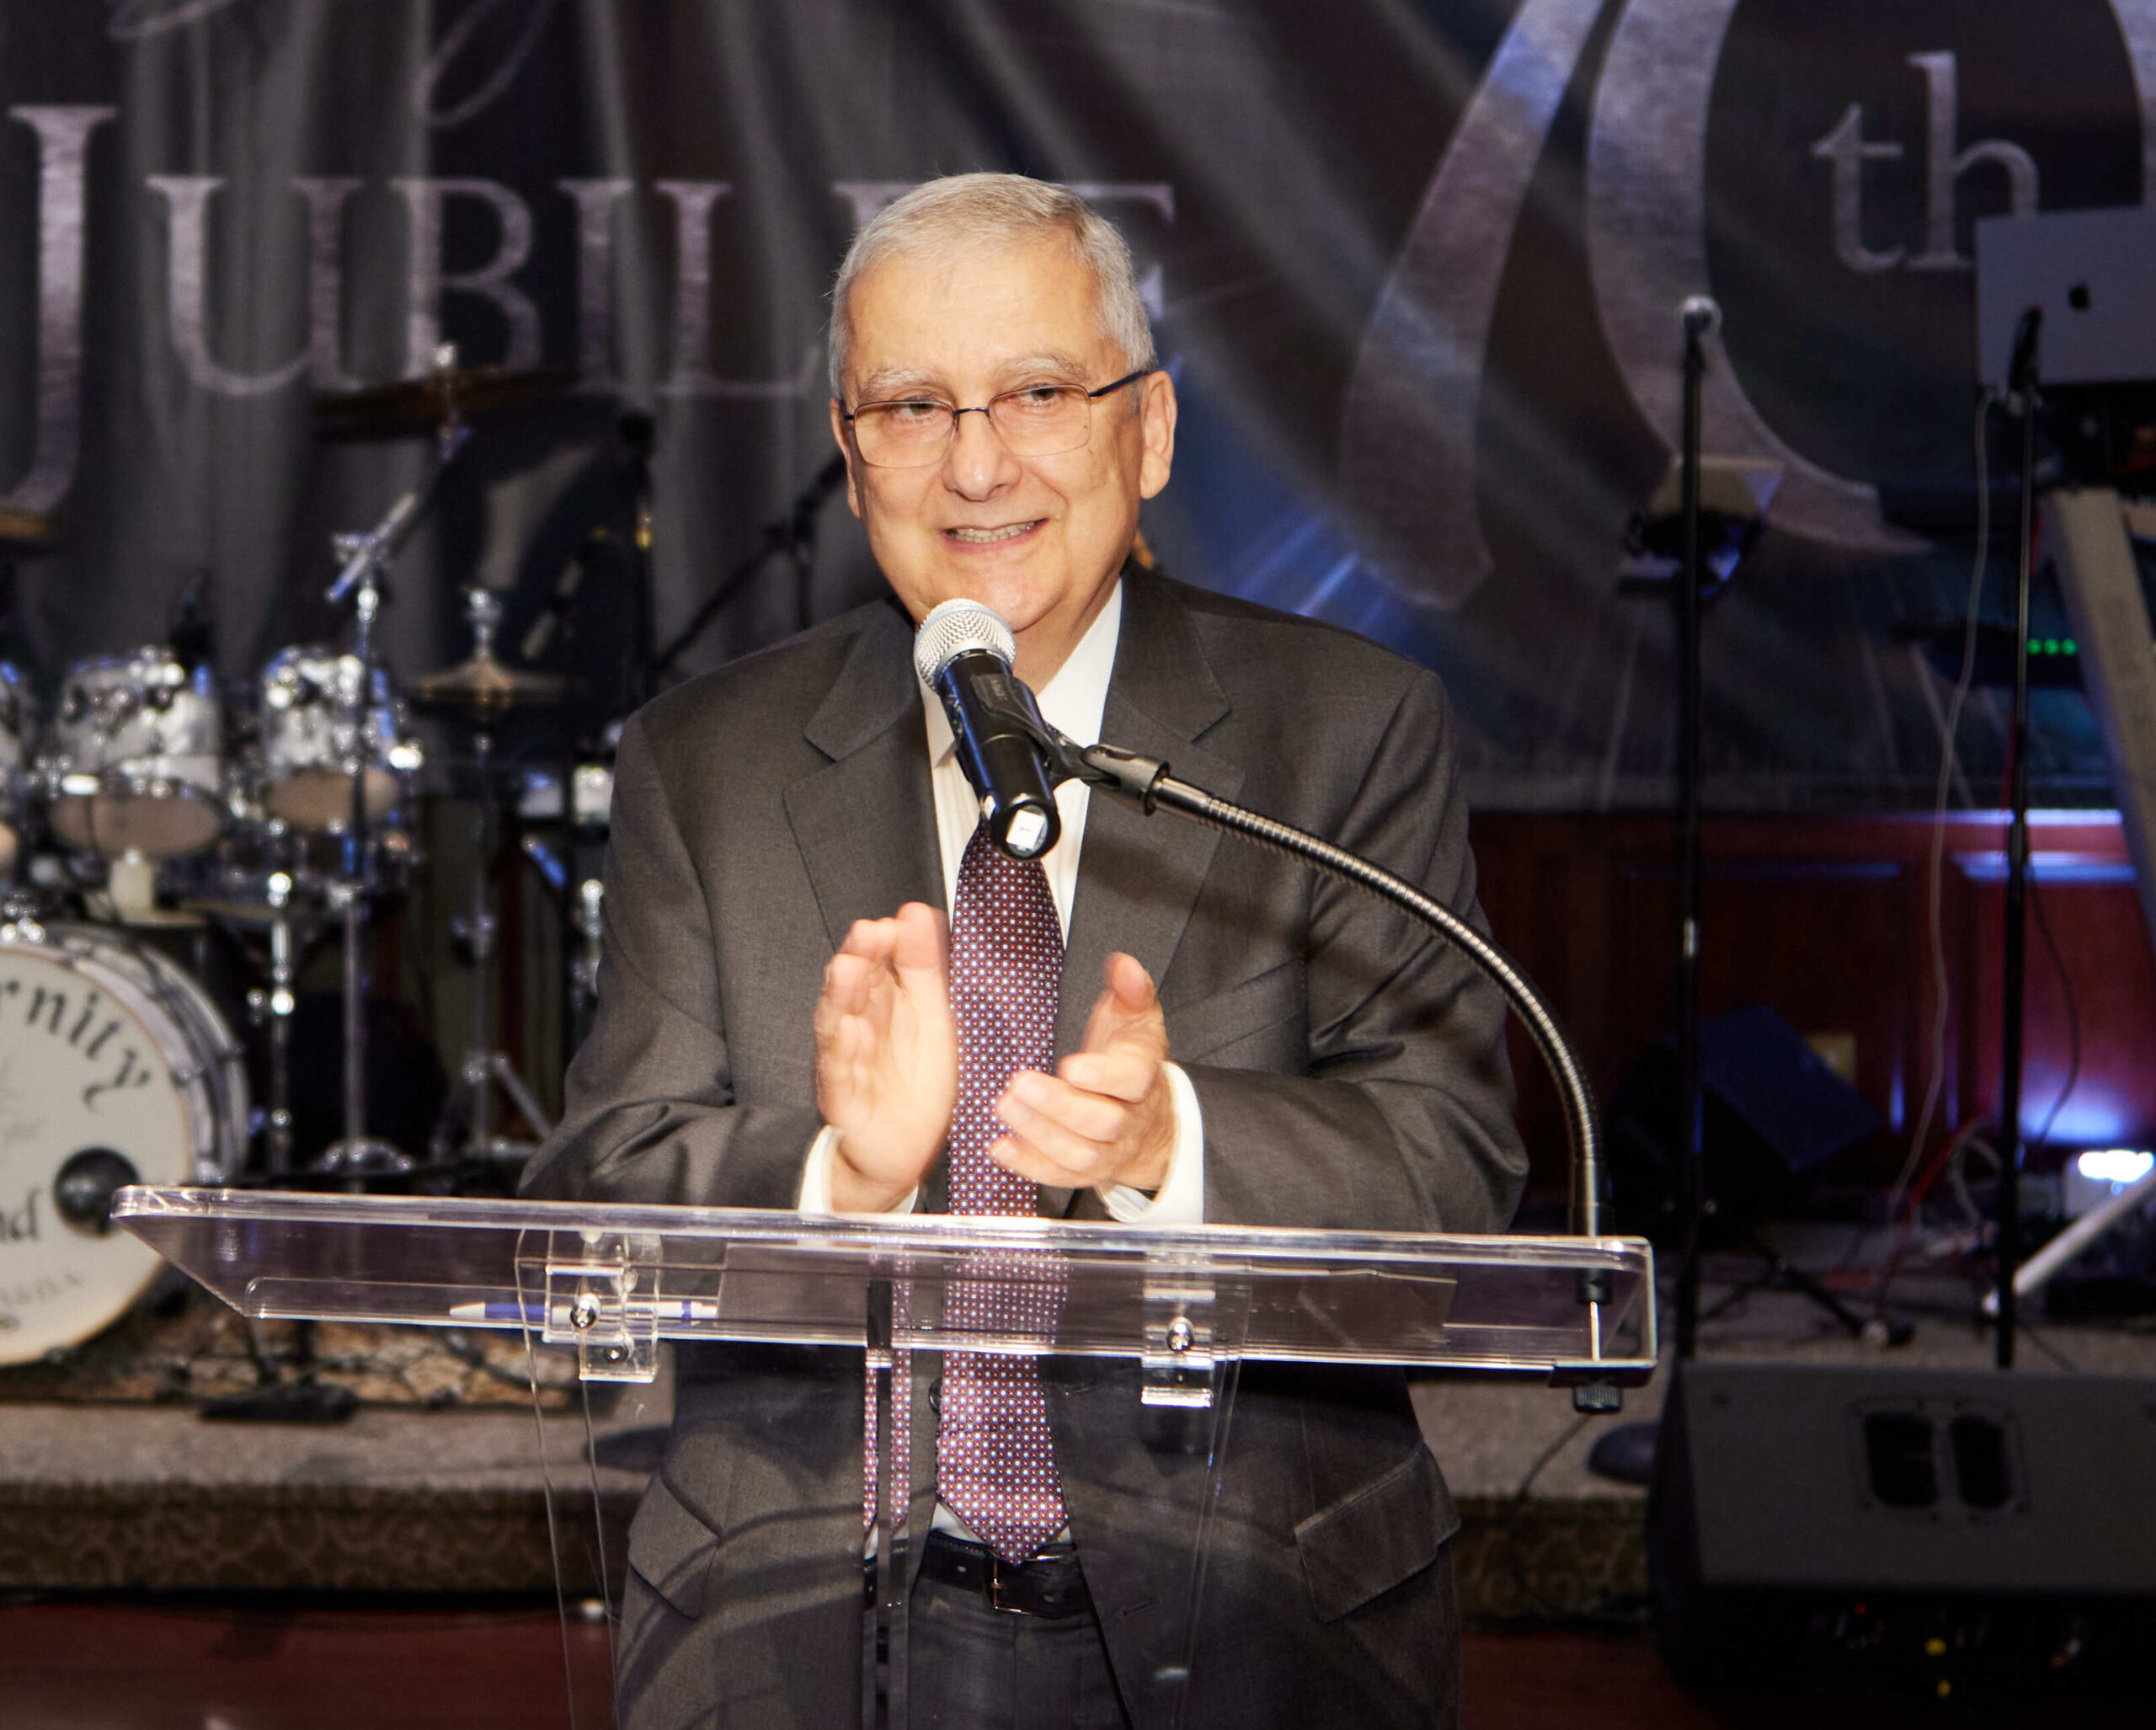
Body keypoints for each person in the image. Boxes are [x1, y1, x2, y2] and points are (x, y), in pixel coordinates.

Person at [521, 172, 1526, 1730]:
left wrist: (1167, 1141)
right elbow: (601, 1182)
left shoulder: (1342, 732)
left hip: (1254, 1604)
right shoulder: (703, 763)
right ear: (853, 464)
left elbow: (1454, 1157)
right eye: (912, 407)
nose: (975, 462)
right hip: (795, 1600)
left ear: (1152, 430)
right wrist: (837, 1184)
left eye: (1038, 392)